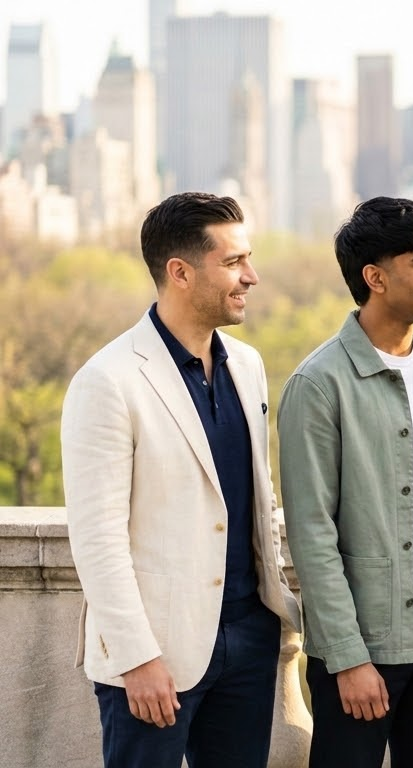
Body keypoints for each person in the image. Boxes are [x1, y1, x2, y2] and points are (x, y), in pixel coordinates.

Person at [61, 192, 301, 768]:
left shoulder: (248, 366)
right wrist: (136, 657)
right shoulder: (108, 381)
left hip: (249, 639)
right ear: (180, 272)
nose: (252, 276)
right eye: (234, 262)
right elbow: (98, 541)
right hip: (156, 656)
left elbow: (251, 500)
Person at [278, 197, 413, 767]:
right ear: (374, 277)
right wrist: (348, 658)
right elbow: (311, 533)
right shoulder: (318, 384)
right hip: (367, 640)